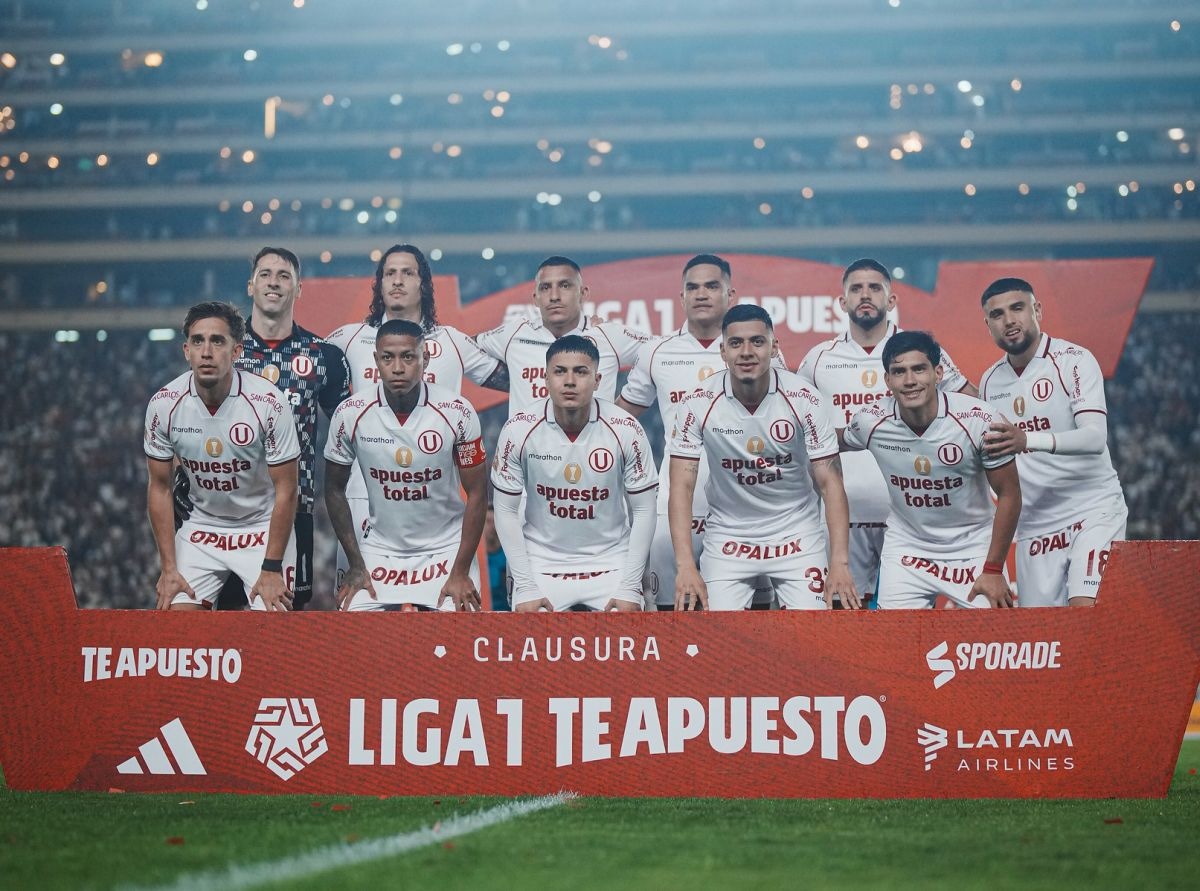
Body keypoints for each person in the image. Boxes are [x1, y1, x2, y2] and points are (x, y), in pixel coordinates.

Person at [175, 246, 350, 610]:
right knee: (208, 621)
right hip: (218, 509)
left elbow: (349, 430)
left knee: (277, 623)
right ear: (251, 286)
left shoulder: (324, 356)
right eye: (266, 274)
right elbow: (184, 412)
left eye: (284, 275)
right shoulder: (222, 347)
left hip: (291, 505)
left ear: (299, 289)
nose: (274, 282)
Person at [796, 258, 975, 606]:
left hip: (915, 516)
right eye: (856, 289)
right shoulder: (818, 359)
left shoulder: (917, 353)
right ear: (842, 302)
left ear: (891, 301)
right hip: (845, 514)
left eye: (875, 288)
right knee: (848, 618)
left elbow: (972, 407)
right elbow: (795, 421)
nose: (866, 295)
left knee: (907, 624)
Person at [327, 243, 507, 587]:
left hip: (435, 504)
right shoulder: (349, 339)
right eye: (389, 274)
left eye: (407, 273)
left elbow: (521, 379)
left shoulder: (452, 341)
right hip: (364, 498)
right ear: (379, 284)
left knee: (441, 620)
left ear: (423, 283)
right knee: (362, 618)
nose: (397, 281)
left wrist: (579, 341)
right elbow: (306, 374)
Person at [617, 253, 780, 609]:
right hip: (676, 502)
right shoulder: (657, 352)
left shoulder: (759, 353)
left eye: (711, 286)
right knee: (671, 607)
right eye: (693, 287)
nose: (701, 294)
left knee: (755, 616)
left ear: (730, 293)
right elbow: (619, 420)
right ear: (682, 297)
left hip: (748, 505)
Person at [670, 304, 858, 611]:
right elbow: (681, 487)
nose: (746, 351)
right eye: (736, 343)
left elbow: (831, 483)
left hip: (797, 535)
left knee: (812, 637)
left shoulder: (805, 399)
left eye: (757, 341)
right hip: (728, 538)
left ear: (774, 348)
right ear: (722, 352)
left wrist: (840, 563)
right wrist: (685, 567)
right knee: (717, 639)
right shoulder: (697, 403)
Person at [841, 330, 1020, 610]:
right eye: (899, 372)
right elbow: (833, 441)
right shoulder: (870, 421)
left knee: (991, 642)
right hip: (908, 549)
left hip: (972, 548)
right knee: (891, 645)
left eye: (919, 369)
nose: (910, 381)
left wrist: (994, 569)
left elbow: (1009, 494)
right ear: (887, 380)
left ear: (938, 374)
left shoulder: (979, 421)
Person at [978, 277, 1128, 607]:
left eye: (1017, 308)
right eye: (998, 314)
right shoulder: (990, 381)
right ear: (988, 325)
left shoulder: (1073, 360)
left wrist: (1027, 439)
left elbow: (1094, 437)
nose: (1010, 320)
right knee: (1046, 637)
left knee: (1085, 616)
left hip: (1091, 510)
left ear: (1037, 310)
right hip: (1035, 525)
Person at [145, 301, 299, 611]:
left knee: (275, 633)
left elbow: (287, 489)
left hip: (261, 528)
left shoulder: (268, 402)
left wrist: (271, 568)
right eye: (198, 341)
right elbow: (159, 487)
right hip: (202, 528)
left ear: (237, 351)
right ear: (186, 350)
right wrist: (169, 568)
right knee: (176, 634)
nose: (206, 351)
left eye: (217, 341)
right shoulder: (164, 405)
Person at [324, 320, 487, 611]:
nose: (398, 367)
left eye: (408, 357)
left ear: (425, 359)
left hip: (445, 548)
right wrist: (356, 564)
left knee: (460, 632)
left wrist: (460, 571)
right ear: (376, 360)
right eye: (388, 357)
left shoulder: (458, 412)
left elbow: (477, 493)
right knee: (351, 640)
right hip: (380, 548)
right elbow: (334, 489)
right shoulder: (350, 413)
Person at [491, 335, 658, 611]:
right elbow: (505, 511)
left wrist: (629, 585)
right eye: (560, 371)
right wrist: (526, 584)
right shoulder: (518, 430)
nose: (570, 381)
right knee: (533, 639)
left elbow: (644, 511)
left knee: (626, 637)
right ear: (545, 379)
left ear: (597, 380)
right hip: (542, 560)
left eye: (581, 372)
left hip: (610, 558)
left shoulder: (626, 428)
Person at [475, 255, 649, 419]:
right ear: (535, 298)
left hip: (593, 449)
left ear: (584, 293)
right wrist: (511, 379)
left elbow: (660, 352)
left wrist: (623, 411)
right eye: (545, 288)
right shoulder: (515, 334)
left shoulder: (607, 335)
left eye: (565, 285)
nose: (554, 296)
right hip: (528, 450)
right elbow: (462, 347)